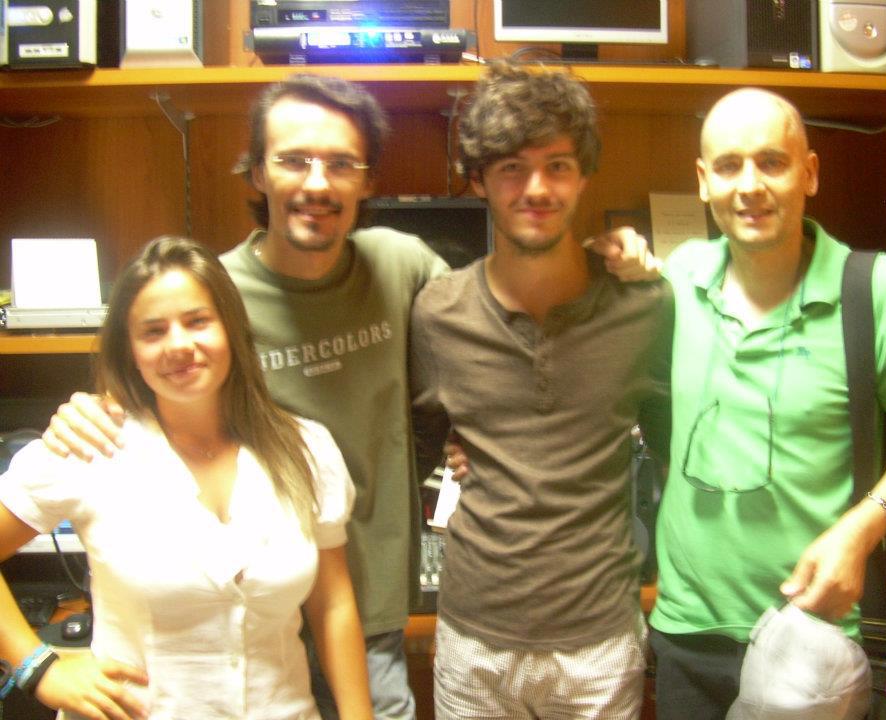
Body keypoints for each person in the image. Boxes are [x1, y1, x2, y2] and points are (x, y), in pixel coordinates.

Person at [38, 71, 656, 720]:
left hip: (365, 615)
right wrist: (85, 410)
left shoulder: (402, 266)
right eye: (293, 160)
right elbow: (135, 390)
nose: (317, 183)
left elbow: (504, 314)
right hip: (232, 621)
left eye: (340, 163)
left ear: (367, 181)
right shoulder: (210, 299)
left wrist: (611, 261)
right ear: (257, 172)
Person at [647, 87, 886, 718]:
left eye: (771, 162)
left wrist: (860, 531)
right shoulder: (678, 279)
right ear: (703, 182)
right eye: (728, 166)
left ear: (809, 173)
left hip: (821, 640)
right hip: (689, 634)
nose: (749, 186)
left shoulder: (874, 290)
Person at [0, 236, 372, 720]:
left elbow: (332, 603)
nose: (179, 345)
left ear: (231, 329)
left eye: (197, 321)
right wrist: (38, 668)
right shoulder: (91, 446)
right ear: (130, 351)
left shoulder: (307, 449)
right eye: (153, 331)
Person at [409, 62, 672, 719]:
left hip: (600, 646)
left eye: (557, 165)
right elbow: (416, 453)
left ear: (584, 174)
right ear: (478, 180)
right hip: (474, 644)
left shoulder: (643, 308)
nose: (537, 188)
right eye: (512, 168)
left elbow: (678, 454)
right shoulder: (438, 314)